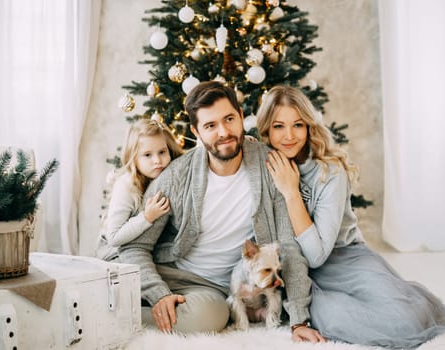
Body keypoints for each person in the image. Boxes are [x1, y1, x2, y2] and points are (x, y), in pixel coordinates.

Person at [256, 85, 445, 348]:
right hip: (299, 273)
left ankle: (407, 299)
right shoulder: (263, 167)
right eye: (278, 126)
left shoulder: (329, 172)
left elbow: (317, 255)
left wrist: (291, 192)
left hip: (346, 259)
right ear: (266, 129)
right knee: (334, 317)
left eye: (297, 125)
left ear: (309, 127)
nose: (289, 136)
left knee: (405, 321)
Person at [118, 81, 323, 342]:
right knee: (116, 281)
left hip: (214, 288)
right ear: (196, 131)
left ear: (240, 116)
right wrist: (159, 294)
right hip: (171, 269)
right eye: (210, 126)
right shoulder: (176, 177)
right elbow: (136, 247)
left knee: (210, 317)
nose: (224, 132)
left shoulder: (271, 166)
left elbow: (288, 245)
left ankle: (115, 313)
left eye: (229, 119)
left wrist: (298, 321)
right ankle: (120, 304)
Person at [96, 119, 184, 261]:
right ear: (134, 158)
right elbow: (114, 237)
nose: (157, 160)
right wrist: (147, 217)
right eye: (147, 155)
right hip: (114, 249)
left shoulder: (169, 175)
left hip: (148, 245)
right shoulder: (126, 186)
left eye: (162, 152)